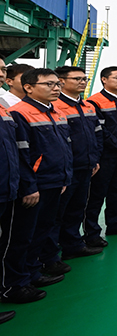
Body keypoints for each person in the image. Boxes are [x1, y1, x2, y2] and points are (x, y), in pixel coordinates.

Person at [2, 68, 71, 304]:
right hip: (36, 184)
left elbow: (63, 148)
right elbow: (22, 155)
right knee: (23, 235)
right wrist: (29, 186)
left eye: (57, 84)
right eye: (49, 84)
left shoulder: (56, 112)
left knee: (43, 229)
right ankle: (16, 282)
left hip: (55, 181)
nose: (56, 88)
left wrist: (65, 177)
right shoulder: (20, 113)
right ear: (29, 87)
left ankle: (32, 272)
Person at [50, 66, 103, 266]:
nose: (82, 82)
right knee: (57, 213)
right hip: (66, 169)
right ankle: (51, 255)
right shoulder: (55, 107)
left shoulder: (87, 106)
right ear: (62, 81)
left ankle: (73, 245)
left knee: (77, 208)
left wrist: (95, 158)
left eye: (84, 79)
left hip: (86, 165)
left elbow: (97, 134)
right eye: (77, 79)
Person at [85, 67, 117, 245]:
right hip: (105, 154)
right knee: (97, 193)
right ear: (104, 79)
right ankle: (91, 233)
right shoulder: (94, 102)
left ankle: (114, 224)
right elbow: (100, 129)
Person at [0, 57, 24, 316]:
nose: (1, 74)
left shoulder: (4, 108)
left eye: (2, 69)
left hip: (8, 186)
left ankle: (8, 286)